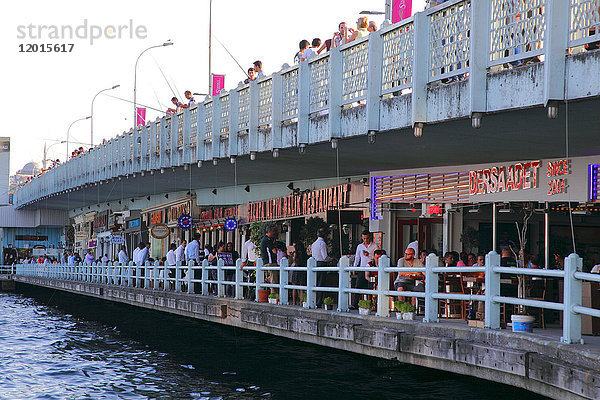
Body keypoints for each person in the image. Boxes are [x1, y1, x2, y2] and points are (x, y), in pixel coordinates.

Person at [352, 230, 378, 309]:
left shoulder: (374, 246)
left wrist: (369, 255)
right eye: (364, 238)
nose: (365, 240)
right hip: (362, 268)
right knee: (358, 286)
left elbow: (376, 257)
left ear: (369, 237)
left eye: (366, 238)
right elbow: (357, 258)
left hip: (371, 268)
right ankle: (355, 304)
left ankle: (370, 304)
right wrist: (354, 267)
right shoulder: (360, 246)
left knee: (370, 287)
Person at [311, 227, 330, 306]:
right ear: (325, 236)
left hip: (315, 264)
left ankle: (315, 301)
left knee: (315, 283)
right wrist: (331, 259)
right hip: (321, 264)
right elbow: (325, 257)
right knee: (321, 283)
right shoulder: (322, 243)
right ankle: (319, 302)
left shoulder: (314, 244)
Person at [290, 240, 308, 305]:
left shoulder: (296, 253)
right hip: (302, 269)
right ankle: (301, 301)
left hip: (296, 269)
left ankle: (294, 302)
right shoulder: (303, 253)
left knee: (294, 286)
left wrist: (296, 264)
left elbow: (294, 259)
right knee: (301, 286)